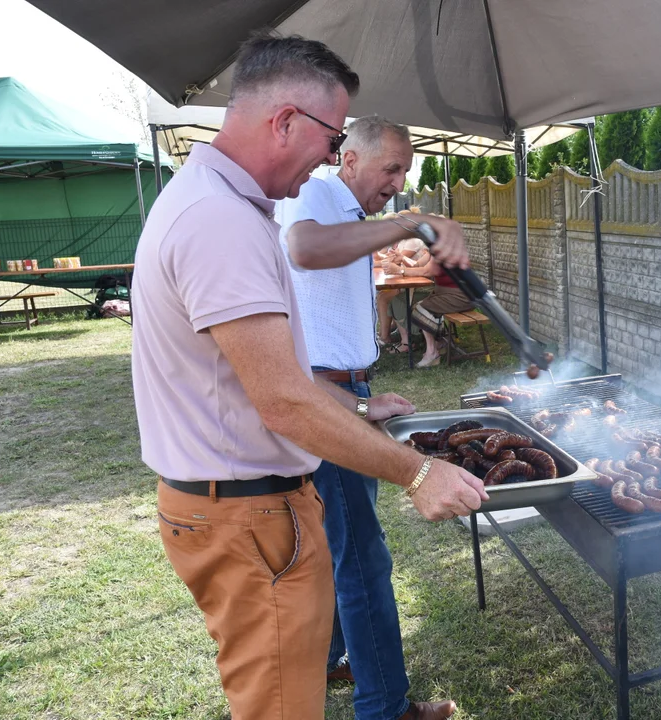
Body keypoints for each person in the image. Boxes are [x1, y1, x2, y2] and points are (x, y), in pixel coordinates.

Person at [131, 33, 486, 720]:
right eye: (330, 144)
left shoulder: (220, 204)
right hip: (244, 515)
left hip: (243, 508)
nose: (329, 161)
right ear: (287, 120)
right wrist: (417, 472)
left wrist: (351, 407)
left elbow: (258, 374)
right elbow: (284, 401)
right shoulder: (219, 221)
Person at [275, 115, 455, 720]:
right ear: (349, 160)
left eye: (405, 172)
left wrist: (364, 397)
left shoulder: (348, 213)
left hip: (341, 390)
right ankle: (384, 708)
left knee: (336, 545)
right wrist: (406, 224)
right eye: (391, 168)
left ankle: (333, 658)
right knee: (364, 558)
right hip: (325, 394)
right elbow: (303, 249)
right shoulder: (323, 189)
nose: (398, 182)